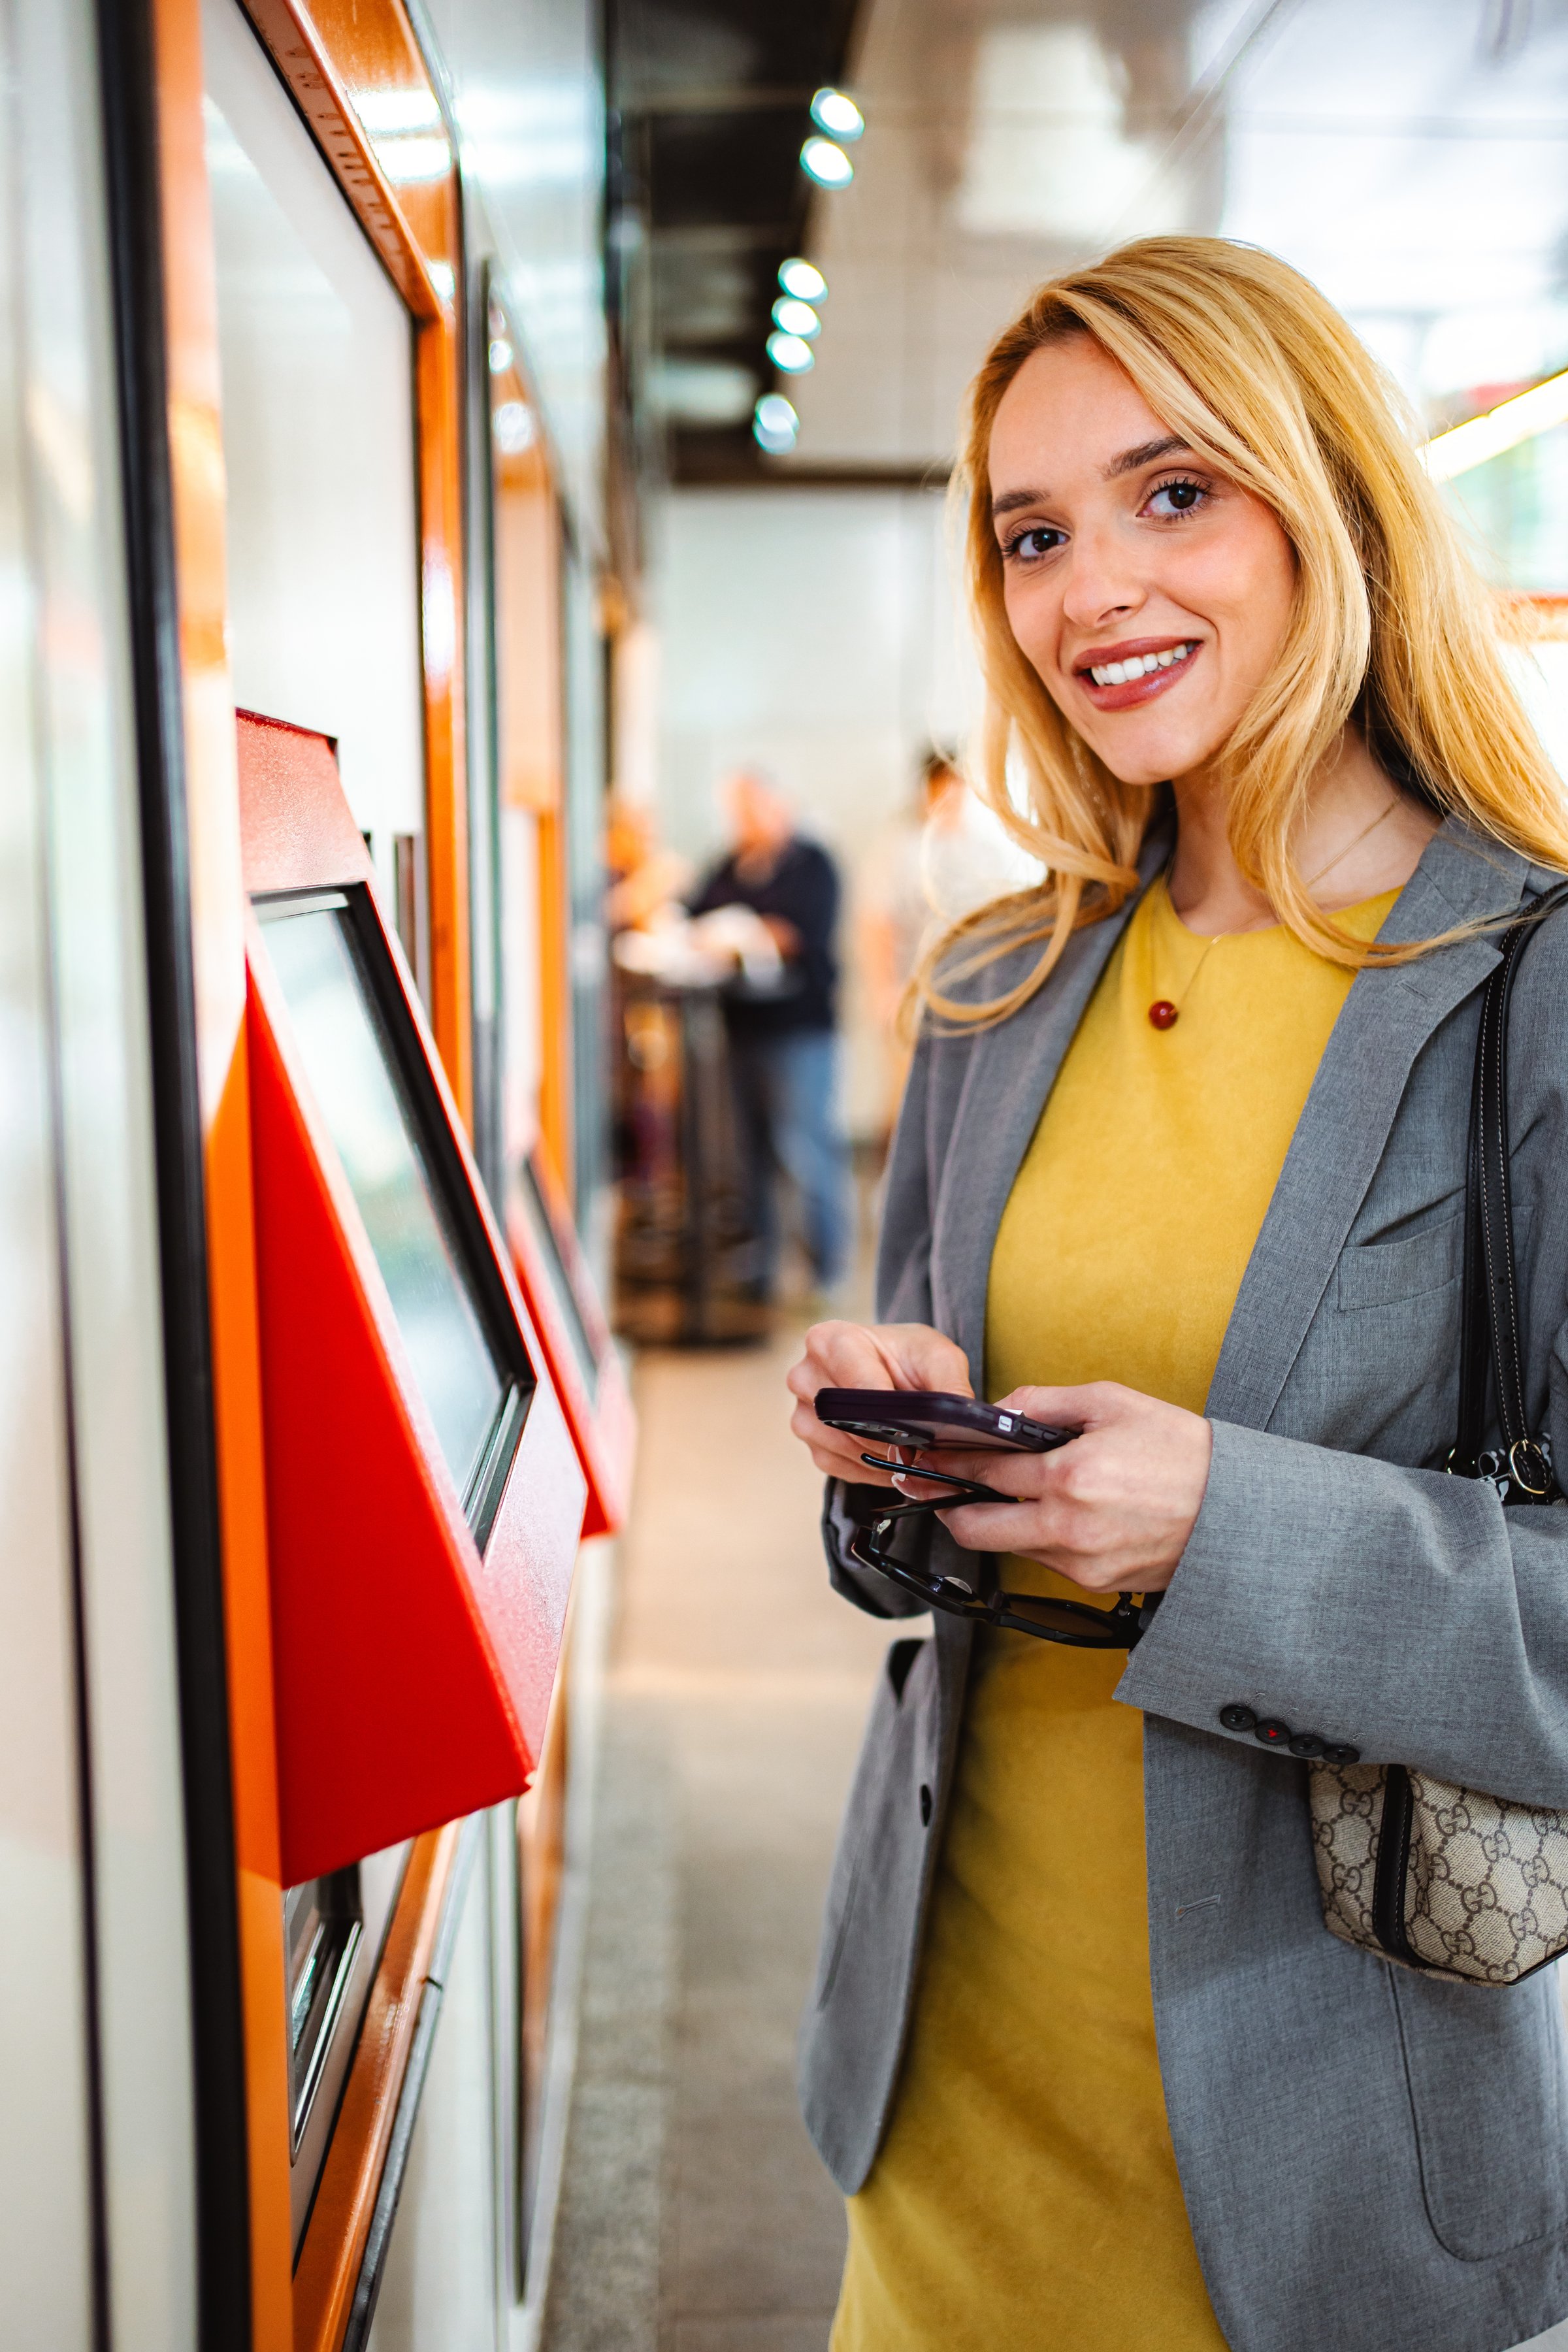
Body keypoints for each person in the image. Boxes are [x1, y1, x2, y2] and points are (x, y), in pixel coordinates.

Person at [784, 235, 1568, 2352]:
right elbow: (894, 1557)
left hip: (1319, 2175)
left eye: (1172, 493)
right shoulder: (999, 978)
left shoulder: (1531, 996)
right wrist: (885, 1452)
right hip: (944, 2106)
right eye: (1033, 533)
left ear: (1324, 497)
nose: (1092, 590)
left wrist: (1229, 1533)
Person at [689, 770, 851, 1303]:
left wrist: (745, 933)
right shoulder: (729, 865)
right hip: (741, 1029)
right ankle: (758, 1275)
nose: (747, 822)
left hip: (799, 1032)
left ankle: (826, 1274)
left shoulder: (812, 865)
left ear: (781, 808)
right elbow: (694, 919)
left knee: (805, 1152)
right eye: (739, 812)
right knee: (746, 1156)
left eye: (755, 809)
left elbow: (798, 935)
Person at [857, 746, 1030, 1143]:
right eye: (944, 789)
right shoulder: (900, 849)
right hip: (917, 998)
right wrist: (883, 992)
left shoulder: (989, 847)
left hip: (983, 997)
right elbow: (877, 924)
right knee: (911, 1110)